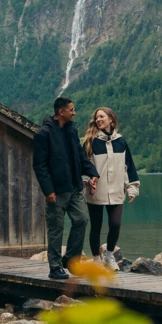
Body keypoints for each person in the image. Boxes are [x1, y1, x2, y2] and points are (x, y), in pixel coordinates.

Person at [33, 96, 98, 280]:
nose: (74, 112)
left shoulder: (71, 130)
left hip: (75, 187)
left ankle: (70, 259)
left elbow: (79, 155)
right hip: (56, 191)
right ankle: (55, 267)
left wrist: (93, 173)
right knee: (56, 228)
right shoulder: (43, 134)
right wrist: (48, 190)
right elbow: (39, 165)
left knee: (82, 219)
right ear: (61, 112)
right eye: (71, 109)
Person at [82, 107, 139, 271]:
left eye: (101, 116)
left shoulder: (121, 141)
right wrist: (87, 180)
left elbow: (128, 166)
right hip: (96, 191)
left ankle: (108, 255)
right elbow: (84, 165)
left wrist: (132, 188)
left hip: (116, 190)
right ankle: (96, 258)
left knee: (115, 224)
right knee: (96, 226)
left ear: (111, 119)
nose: (98, 119)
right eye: (96, 117)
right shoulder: (91, 141)